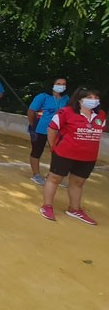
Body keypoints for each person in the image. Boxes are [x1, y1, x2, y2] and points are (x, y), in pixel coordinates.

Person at [39, 88, 106, 224]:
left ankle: (74, 209)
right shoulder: (66, 112)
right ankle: (47, 206)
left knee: (78, 182)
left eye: (95, 97)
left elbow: (98, 132)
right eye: (89, 97)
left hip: (88, 157)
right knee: (54, 179)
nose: (93, 100)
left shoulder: (101, 115)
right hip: (64, 153)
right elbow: (52, 129)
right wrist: (54, 148)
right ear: (79, 99)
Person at [27, 78, 69, 186]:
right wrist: (33, 125)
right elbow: (31, 111)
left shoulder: (66, 98)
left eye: (64, 84)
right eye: (58, 84)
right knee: (37, 151)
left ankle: (52, 175)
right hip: (41, 129)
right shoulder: (43, 97)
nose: (61, 86)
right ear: (53, 85)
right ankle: (36, 174)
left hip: (59, 130)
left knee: (58, 153)